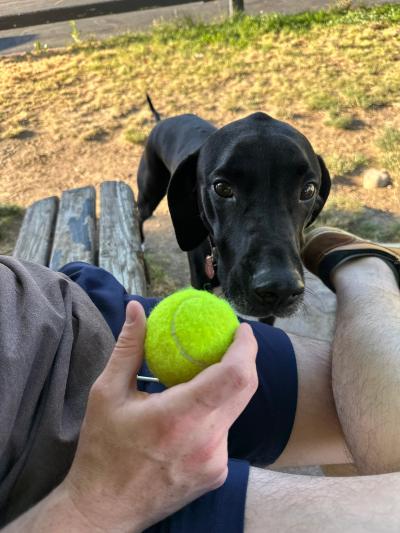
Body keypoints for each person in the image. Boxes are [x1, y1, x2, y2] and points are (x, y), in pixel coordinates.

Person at [1, 226, 400, 532]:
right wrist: (89, 508)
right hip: (60, 494)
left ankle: (361, 269)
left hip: (75, 321)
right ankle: (367, 271)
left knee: (382, 418)